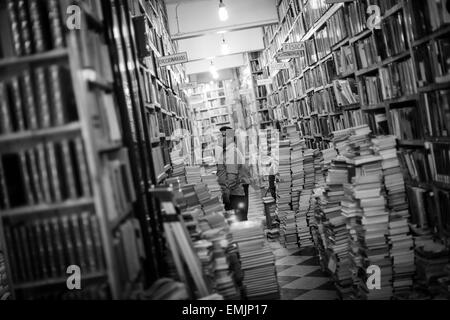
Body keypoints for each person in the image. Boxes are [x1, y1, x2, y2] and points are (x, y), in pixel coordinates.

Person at [217, 126, 248, 221]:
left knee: (238, 219)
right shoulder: (228, 151)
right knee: (237, 218)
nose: (219, 139)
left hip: (235, 192)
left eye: (223, 136)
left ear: (230, 138)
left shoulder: (231, 152)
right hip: (234, 191)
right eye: (220, 136)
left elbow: (231, 177)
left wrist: (226, 194)